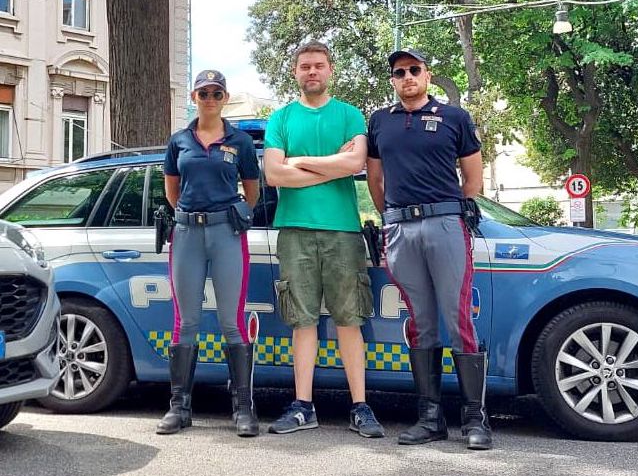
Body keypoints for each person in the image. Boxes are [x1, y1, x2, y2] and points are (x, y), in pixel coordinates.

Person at [366, 49, 492, 450]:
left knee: (458, 319)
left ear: (427, 74)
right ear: (392, 79)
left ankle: (475, 419)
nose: (407, 77)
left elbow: (473, 179)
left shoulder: (454, 117)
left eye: (414, 70)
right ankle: (430, 417)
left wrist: (451, 211)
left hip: (445, 224)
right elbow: (375, 178)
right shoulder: (380, 121)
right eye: (399, 72)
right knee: (420, 321)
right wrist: (391, 216)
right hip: (401, 227)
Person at [263, 41, 384, 438]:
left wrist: (298, 161)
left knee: (350, 320)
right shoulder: (280, 118)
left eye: (318, 65)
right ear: (295, 72)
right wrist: (331, 165)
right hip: (295, 230)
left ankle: (360, 407)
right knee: (303, 320)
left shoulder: (350, 115)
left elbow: (355, 163)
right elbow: (273, 175)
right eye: (304, 66)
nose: (311, 72)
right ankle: (303, 405)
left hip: (343, 231)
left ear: (331, 69)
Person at [157, 69, 261, 437]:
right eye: (204, 93)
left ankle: (243, 409)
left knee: (231, 320)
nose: (211, 99)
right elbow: (172, 191)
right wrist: (190, 214)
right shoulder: (179, 140)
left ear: (225, 97)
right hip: (187, 233)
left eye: (217, 93)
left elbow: (252, 191)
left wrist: (233, 214)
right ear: (194, 97)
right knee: (186, 320)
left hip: (226, 234)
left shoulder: (241, 142)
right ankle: (179, 407)